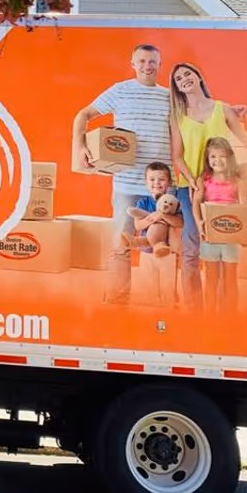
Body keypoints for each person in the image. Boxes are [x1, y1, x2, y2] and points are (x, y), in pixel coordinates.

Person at [72, 44, 171, 305]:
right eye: (142, 61)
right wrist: (80, 146)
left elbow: (198, 115)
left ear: (160, 65)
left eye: (153, 62)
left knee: (159, 248)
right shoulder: (120, 91)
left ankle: (159, 303)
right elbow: (84, 115)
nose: (147, 66)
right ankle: (117, 301)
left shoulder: (170, 97)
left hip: (162, 189)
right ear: (133, 63)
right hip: (127, 185)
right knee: (121, 245)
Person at [169, 61, 247, 311]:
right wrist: (193, 184)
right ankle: (195, 310)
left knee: (226, 248)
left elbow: (245, 139)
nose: (184, 79)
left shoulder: (222, 109)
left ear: (199, 76)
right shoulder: (177, 116)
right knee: (192, 248)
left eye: (188, 73)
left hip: (223, 187)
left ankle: (225, 310)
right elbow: (177, 155)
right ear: (177, 87)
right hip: (190, 187)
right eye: (179, 79)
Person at [191, 137, 247, 314]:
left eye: (222, 156)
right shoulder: (204, 180)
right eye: (213, 157)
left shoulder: (238, 182)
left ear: (230, 157)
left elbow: (244, 209)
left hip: (231, 237)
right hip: (209, 237)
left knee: (230, 278)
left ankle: (229, 315)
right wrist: (200, 225)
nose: (217, 161)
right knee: (211, 277)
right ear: (208, 160)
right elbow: (196, 204)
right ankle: (210, 316)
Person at [121, 161, 183, 258]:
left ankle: (161, 246)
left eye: (161, 179)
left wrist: (162, 215)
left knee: (167, 272)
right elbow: (138, 226)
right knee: (147, 272)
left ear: (169, 182)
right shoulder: (143, 202)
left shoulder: (173, 203)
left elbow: (180, 223)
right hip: (147, 250)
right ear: (146, 183)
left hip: (168, 250)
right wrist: (153, 219)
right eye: (152, 179)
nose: (157, 183)